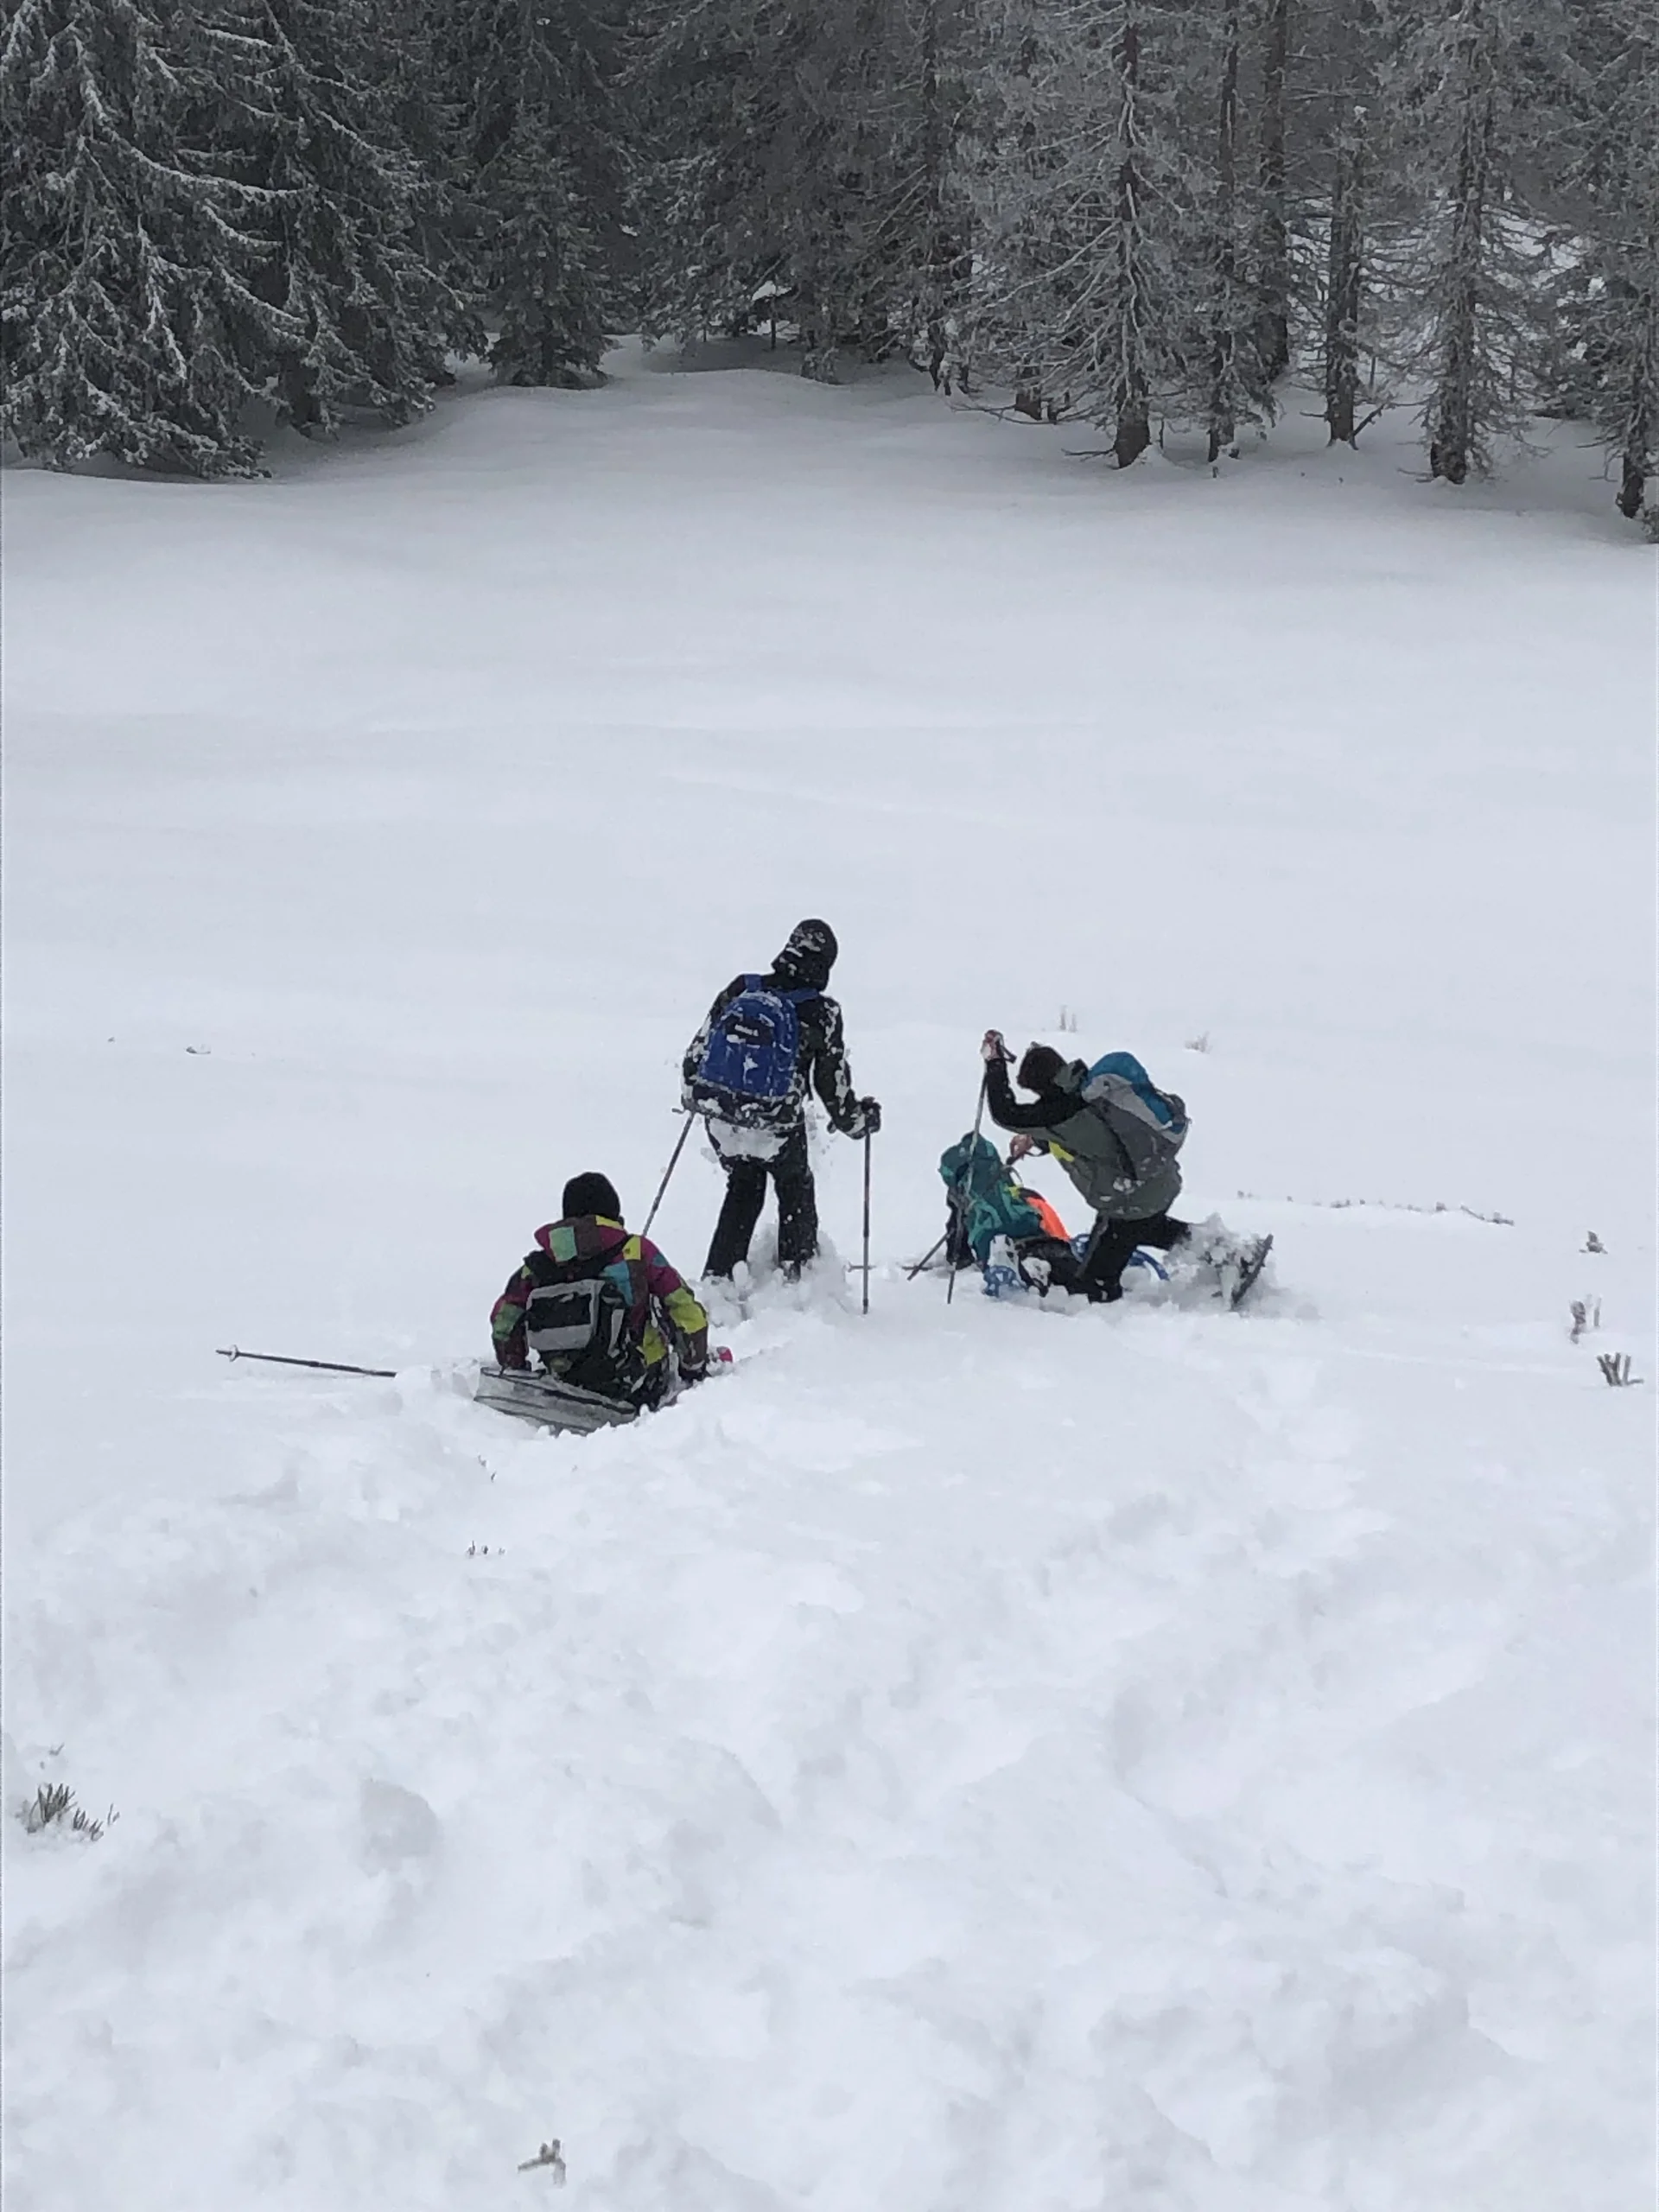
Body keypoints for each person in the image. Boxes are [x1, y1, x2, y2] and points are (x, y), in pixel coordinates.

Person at [683, 919, 880, 1282]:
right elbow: (830, 1087)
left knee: (744, 1184)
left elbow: (696, 1055)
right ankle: (798, 1277)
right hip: (776, 1123)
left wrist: (704, 1099)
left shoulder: (743, 988)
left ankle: (719, 1279)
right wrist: (859, 1122)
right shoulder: (824, 1013)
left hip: (723, 1121)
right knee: (795, 1186)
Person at [979, 1033, 1192, 1303]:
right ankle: (1221, 1249)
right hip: (1159, 1182)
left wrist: (995, 1063)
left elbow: (1005, 1113)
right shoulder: (1089, 1089)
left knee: (1093, 1286)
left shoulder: (1060, 1110)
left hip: (1130, 1202)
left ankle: (1104, 1323)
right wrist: (1036, 1138)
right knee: (1146, 1228)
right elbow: (1092, 1136)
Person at [490, 1172, 709, 1408]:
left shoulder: (540, 1265)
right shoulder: (636, 1251)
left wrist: (515, 1368)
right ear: (614, 1214)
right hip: (637, 1384)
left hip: (565, 1381)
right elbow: (684, 1309)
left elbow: (504, 1321)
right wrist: (693, 1368)